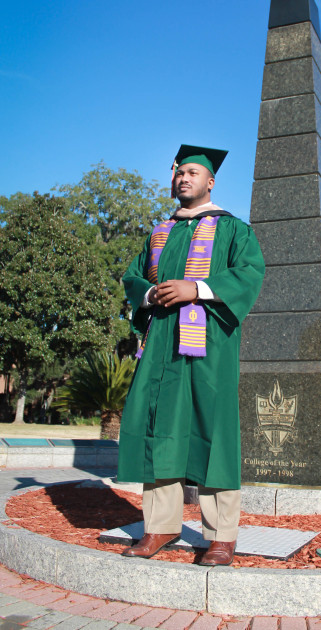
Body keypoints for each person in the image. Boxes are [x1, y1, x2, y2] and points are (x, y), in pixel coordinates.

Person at [117, 144, 265, 566]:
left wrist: (195, 288)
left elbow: (249, 273)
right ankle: (160, 526)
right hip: (162, 344)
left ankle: (221, 536)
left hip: (209, 350)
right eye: (179, 172)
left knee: (213, 432)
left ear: (210, 182)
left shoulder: (233, 230)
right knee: (160, 428)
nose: (184, 177)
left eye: (193, 173)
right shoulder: (159, 233)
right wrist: (148, 292)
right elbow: (132, 277)